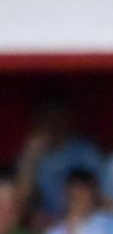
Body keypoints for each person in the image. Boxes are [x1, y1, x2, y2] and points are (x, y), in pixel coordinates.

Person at [15, 93, 102, 226]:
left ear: (68, 117)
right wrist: (31, 158)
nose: (53, 122)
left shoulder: (85, 152)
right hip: (43, 227)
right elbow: (19, 204)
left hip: (84, 222)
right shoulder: (32, 154)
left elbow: (101, 199)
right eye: (47, 116)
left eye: (57, 115)